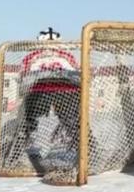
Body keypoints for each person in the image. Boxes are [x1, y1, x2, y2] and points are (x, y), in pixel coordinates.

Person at [10, 27, 87, 172]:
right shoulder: (66, 55)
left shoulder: (32, 56)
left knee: (29, 124)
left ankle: (17, 156)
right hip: (64, 91)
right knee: (74, 123)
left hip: (41, 91)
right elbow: (77, 74)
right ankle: (87, 151)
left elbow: (22, 77)